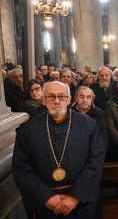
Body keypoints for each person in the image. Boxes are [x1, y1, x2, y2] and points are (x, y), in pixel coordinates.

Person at [12, 81, 105, 218]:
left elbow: (96, 161)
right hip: (47, 204)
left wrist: (75, 197)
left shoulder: (89, 126)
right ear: (43, 100)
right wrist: (46, 197)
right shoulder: (27, 131)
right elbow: (22, 169)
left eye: (61, 96)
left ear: (69, 99)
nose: (56, 101)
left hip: (82, 201)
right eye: (51, 96)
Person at [71, 86, 108, 153]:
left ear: (92, 99)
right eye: (82, 97)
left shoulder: (99, 113)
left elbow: (103, 138)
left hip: (93, 152)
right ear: (76, 98)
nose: (85, 100)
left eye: (88, 97)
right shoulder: (69, 112)